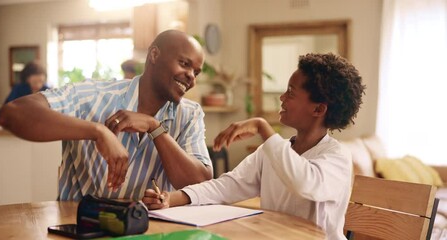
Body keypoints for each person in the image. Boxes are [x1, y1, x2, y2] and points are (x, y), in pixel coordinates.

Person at [143, 53, 366, 240]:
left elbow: (305, 182)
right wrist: (172, 199)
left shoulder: (336, 157)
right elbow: (228, 186)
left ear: (318, 110)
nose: (282, 97)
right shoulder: (272, 152)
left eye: (290, 92)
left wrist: (262, 127)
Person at [0, 30, 213, 200]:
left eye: (196, 72)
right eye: (184, 64)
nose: (191, 78)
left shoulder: (190, 115)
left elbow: (200, 183)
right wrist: (98, 131)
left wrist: (155, 127)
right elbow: (12, 114)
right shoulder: (93, 96)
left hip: (151, 231)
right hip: (79, 228)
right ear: (154, 55)